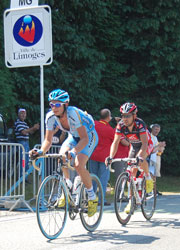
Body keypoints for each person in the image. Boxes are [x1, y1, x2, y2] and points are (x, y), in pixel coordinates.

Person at [29, 89, 99, 217]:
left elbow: (84, 139)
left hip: (89, 136)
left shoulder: (72, 113)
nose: (54, 108)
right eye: (51, 104)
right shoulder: (50, 117)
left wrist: (73, 152)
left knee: (78, 164)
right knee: (61, 156)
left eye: (57, 104)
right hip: (73, 136)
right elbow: (48, 140)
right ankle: (68, 185)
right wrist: (40, 151)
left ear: (65, 104)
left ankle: (92, 196)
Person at [105, 102, 154, 213]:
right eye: (123, 116)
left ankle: (148, 178)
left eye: (128, 116)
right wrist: (110, 157)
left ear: (134, 116)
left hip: (146, 144)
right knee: (131, 171)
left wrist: (140, 157)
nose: (125, 118)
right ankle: (131, 201)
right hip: (134, 145)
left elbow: (145, 143)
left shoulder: (139, 124)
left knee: (141, 161)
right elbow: (115, 142)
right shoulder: (121, 125)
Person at [89, 108, 114, 206]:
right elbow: (115, 140)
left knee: (92, 177)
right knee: (103, 178)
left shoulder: (94, 124)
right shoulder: (109, 129)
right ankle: (101, 200)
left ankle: (92, 198)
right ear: (108, 117)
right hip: (105, 157)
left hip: (93, 154)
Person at [14, 108, 40, 181]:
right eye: (21, 113)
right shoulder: (18, 122)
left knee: (26, 160)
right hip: (21, 142)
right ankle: (21, 177)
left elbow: (30, 132)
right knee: (23, 160)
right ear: (18, 114)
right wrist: (33, 128)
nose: (23, 115)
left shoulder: (25, 123)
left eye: (24, 113)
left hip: (26, 143)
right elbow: (24, 132)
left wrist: (35, 129)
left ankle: (24, 177)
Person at [148, 124, 166, 195]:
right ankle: (150, 190)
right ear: (152, 129)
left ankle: (154, 190)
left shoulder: (155, 137)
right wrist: (159, 145)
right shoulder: (149, 136)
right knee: (150, 174)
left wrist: (160, 147)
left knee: (153, 175)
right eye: (155, 129)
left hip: (154, 158)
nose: (157, 131)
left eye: (158, 130)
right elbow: (151, 147)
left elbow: (157, 148)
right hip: (150, 157)